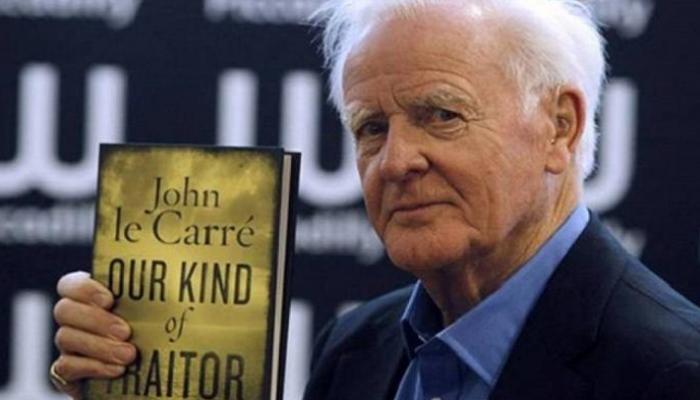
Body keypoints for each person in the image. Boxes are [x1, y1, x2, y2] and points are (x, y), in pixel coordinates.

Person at [51, 0, 700, 399]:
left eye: (442, 115)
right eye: (371, 128)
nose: (395, 162)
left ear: (560, 127)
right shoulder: (354, 347)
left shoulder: (672, 375)